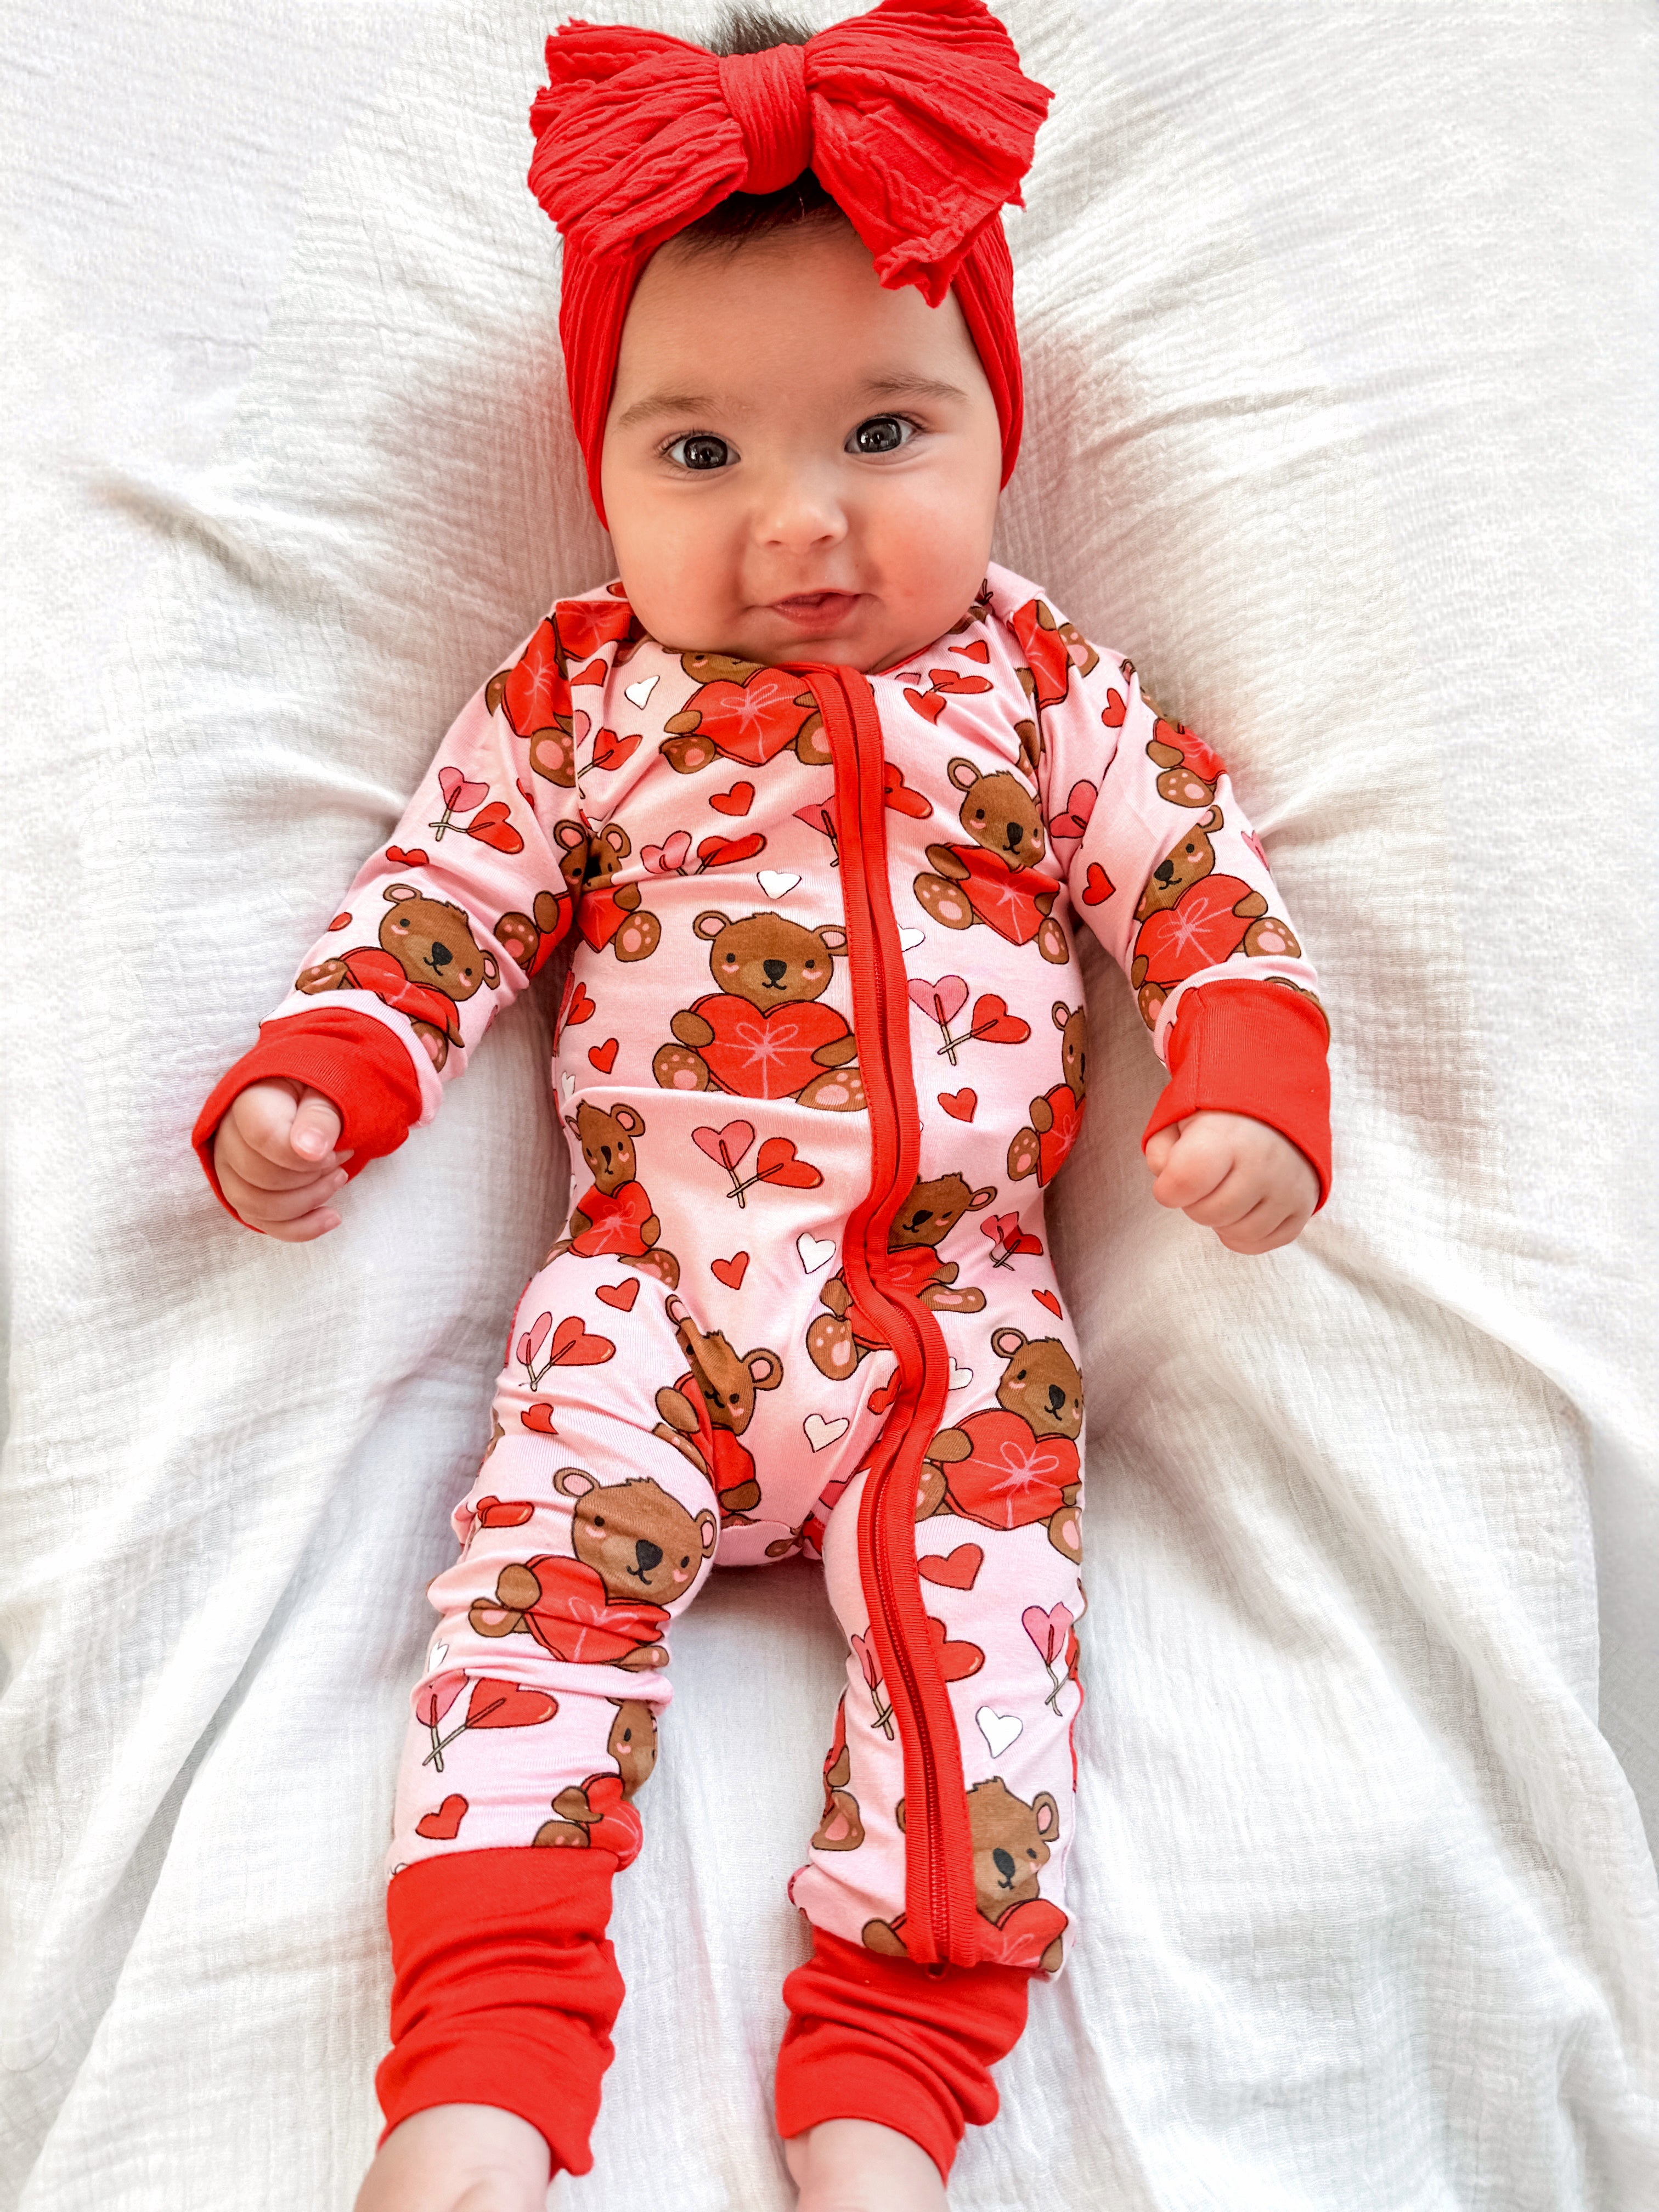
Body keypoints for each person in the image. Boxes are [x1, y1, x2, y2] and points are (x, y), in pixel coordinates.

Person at [190, 5, 1332, 2206]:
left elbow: (1205, 890)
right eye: (700, 451)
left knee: (989, 1668)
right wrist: (325, 1077)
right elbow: (440, 901)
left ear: (997, 433)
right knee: (523, 1615)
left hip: (957, 1323)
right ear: (603, 471)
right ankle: (481, 2071)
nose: (800, 521)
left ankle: (887, 2088)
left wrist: (1252, 1086)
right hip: (649, 1300)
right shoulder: (580, 696)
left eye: (884, 431)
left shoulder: (1044, 692)